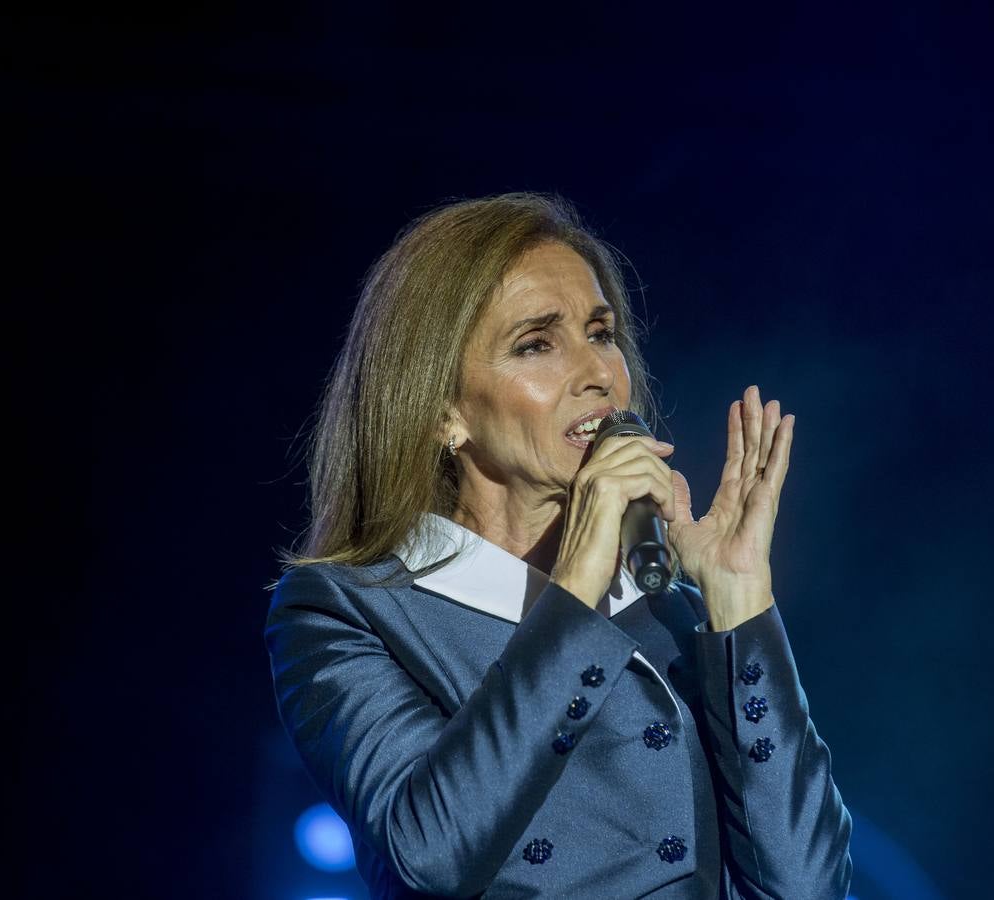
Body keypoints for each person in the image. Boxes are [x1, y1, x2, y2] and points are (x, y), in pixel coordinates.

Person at [264, 192, 853, 898]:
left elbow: (810, 889)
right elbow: (432, 852)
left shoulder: (674, 609)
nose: (598, 373)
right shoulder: (345, 612)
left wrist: (739, 600)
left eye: (601, 333)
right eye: (537, 344)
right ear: (444, 413)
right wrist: (576, 586)